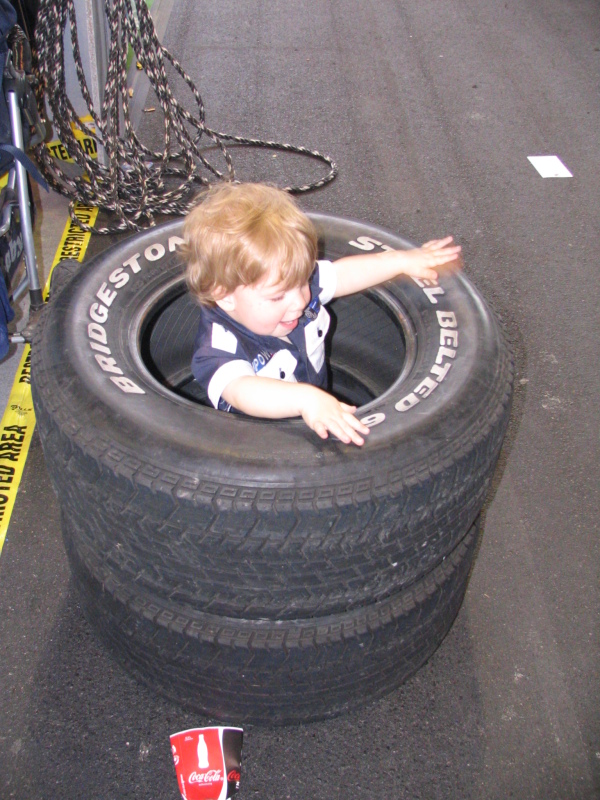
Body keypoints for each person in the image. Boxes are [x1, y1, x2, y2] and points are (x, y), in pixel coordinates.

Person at [183, 182, 461, 446]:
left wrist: (400, 260)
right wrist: (307, 400)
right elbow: (242, 391)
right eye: (278, 296)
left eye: (303, 281)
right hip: (258, 451)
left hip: (314, 412)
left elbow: (343, 274)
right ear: (225, 295)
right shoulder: (217, 349)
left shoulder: (287, 283)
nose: (300, 301)